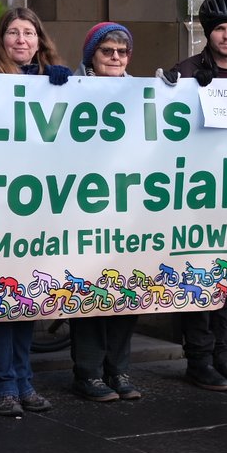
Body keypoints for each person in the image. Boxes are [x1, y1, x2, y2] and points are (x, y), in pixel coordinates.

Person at [158, 0, 227, 392]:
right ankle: (199, 359)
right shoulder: (187, 70)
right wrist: (181, 89)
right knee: (196, 278)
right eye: (220, 29)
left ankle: (224, 356)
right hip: (195, 195)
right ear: (208, 33)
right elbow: (161, 124)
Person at [0, 7, 71, 416]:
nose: (21, 40)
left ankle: (24, 380)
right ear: (1, 39)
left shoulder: (51, 79)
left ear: (39, 40)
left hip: (36, 206)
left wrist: (61, 89)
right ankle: (1, 385)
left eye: (29, 32)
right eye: (13, 32)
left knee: (27, 298)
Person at [67, 22, 144, 403]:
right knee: (89, 293)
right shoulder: (71, 92)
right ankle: (89, 372)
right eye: (107, 52)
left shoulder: (141, 92)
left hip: (127, 209)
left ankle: (119, 369)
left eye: (122, 52)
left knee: (125, 289)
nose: (116, 58)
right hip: (84, 209)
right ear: (91, 57)